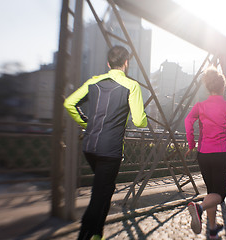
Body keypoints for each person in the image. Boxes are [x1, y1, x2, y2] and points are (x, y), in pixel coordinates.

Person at [64, 45, 147, 240]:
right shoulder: (131, 86)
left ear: (108, 63)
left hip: (90, 147)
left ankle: (97, 234)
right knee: (99, 195)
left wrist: (85, 121)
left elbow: (69, 103)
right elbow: (139, 121)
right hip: (110, 150)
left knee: (106, 189)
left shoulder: (93, 82)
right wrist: (141, 115)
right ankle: (86, 234)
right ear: (126, 64)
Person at [185, 66, 226, 239]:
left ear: (208, 87)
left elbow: (188, 121)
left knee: (211, 192)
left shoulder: (200, 106)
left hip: (203, 154)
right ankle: (199, 208)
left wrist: (192, 143)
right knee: (220, 194)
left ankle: (212, 229)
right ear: (222, 87)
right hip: (221, 154)